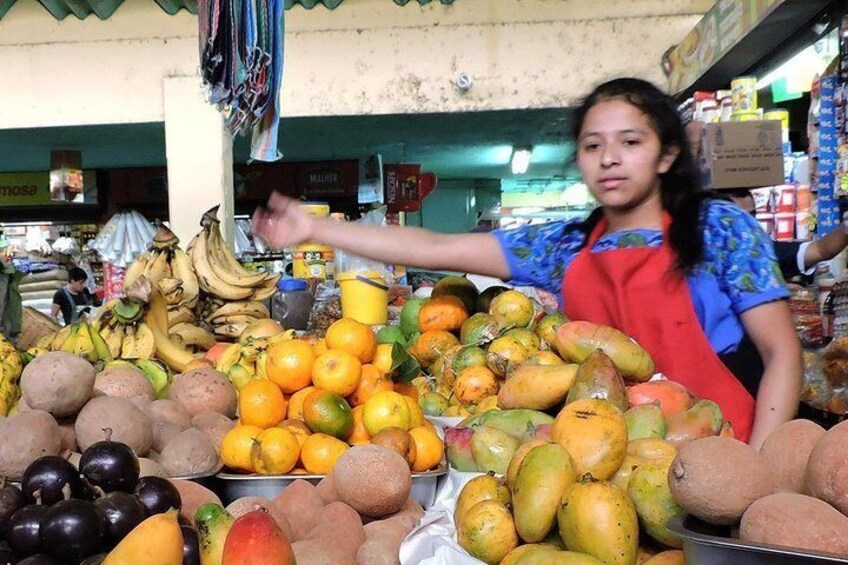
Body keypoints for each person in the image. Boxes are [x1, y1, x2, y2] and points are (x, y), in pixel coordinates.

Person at [253, 78, 802, 448]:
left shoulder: (720, 229)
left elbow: (782, 353)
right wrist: (315, 228)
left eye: (630, 141)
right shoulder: (562, 248)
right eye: (592, 146)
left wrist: (763, 464)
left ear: (666, 154)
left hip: (720, 446)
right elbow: (438, 249)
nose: (609, 158)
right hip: (602, 458)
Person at [725, 188, 848, 280]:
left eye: (751, 216)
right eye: (738, 218)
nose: (747, 224)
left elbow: (821, 250)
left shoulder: (762, 252)